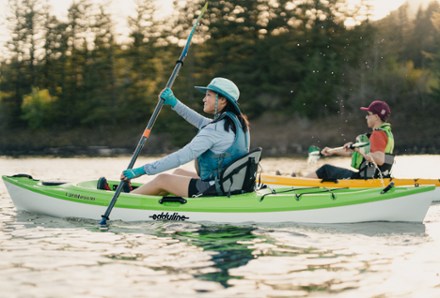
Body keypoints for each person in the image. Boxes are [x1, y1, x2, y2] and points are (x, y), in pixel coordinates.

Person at [98, 77, 250, 197]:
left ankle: (125, 200)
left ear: (222, 100)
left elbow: (181, 157)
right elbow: (199, 121)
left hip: (217, 187)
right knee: (178, 173)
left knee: (163, 179)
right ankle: (144, 194)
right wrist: (174, 103)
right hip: (229, 182)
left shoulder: (216, 129)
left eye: (208, 95)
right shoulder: (234, 123)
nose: (204, 99)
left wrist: (141, 170)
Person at [306, 100, 394, 180]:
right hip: (378, 178)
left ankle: (296, 187)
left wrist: (359, 149)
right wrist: (333, 151)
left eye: (368, 114)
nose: (366, 117)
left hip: (364, 180)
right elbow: (356, 153)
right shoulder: (386, 133)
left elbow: (380, 159)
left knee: (325, 170)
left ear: (376, 117)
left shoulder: (377, 134)